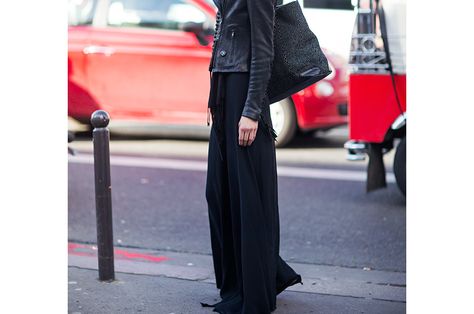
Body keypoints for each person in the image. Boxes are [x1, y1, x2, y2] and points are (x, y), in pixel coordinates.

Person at [201, 0, 303, 313]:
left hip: (244, 94)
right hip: (225, 88)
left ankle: (254, 290)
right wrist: (213, 94)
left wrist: (251, 111)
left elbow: (263, 49)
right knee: (220, 194)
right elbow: (224, 34)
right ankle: (247, 280)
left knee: (247, 198)